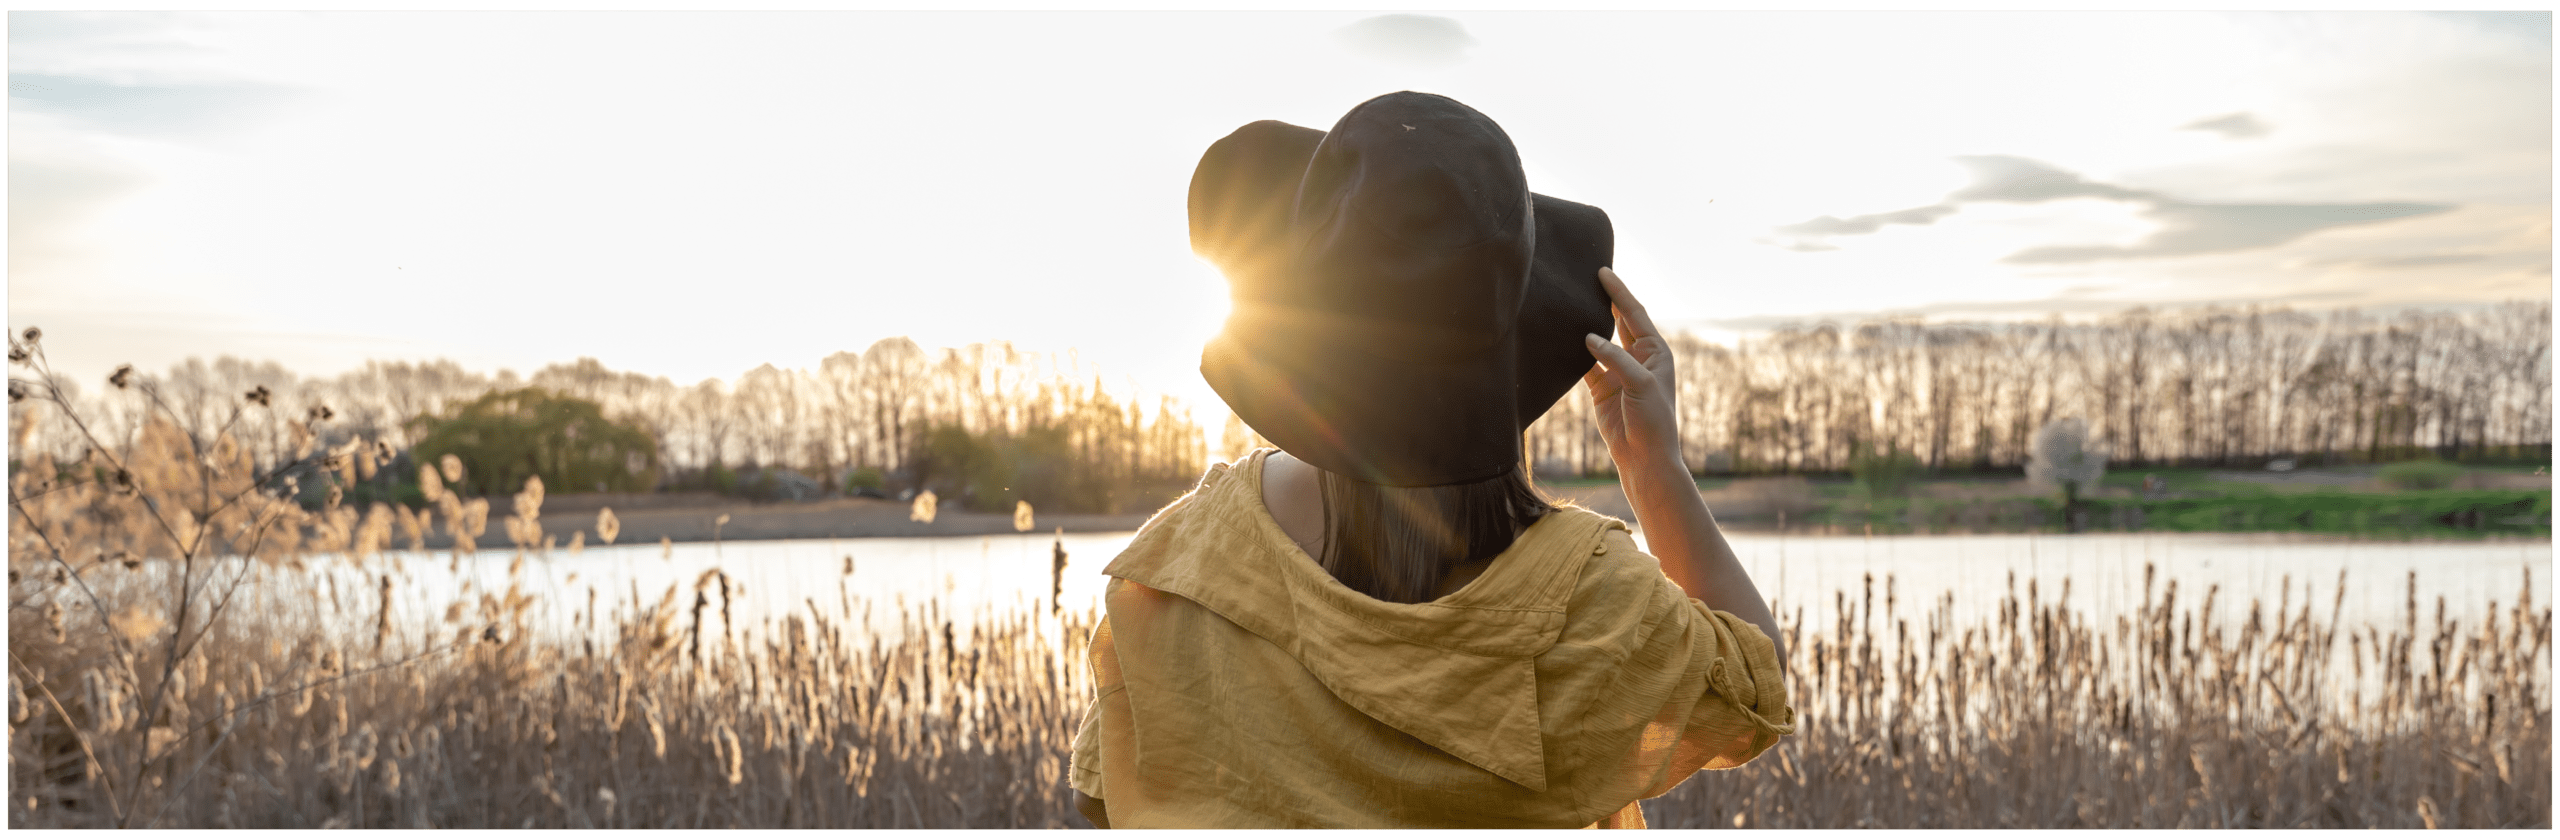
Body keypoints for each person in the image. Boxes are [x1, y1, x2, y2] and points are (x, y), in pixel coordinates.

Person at [1069, 92, 1793, 830]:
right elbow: (1753, 697)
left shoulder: (1182, 570)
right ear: (1515, 314)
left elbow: (1108, 800)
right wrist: (1655, 470)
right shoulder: (1588, 601)